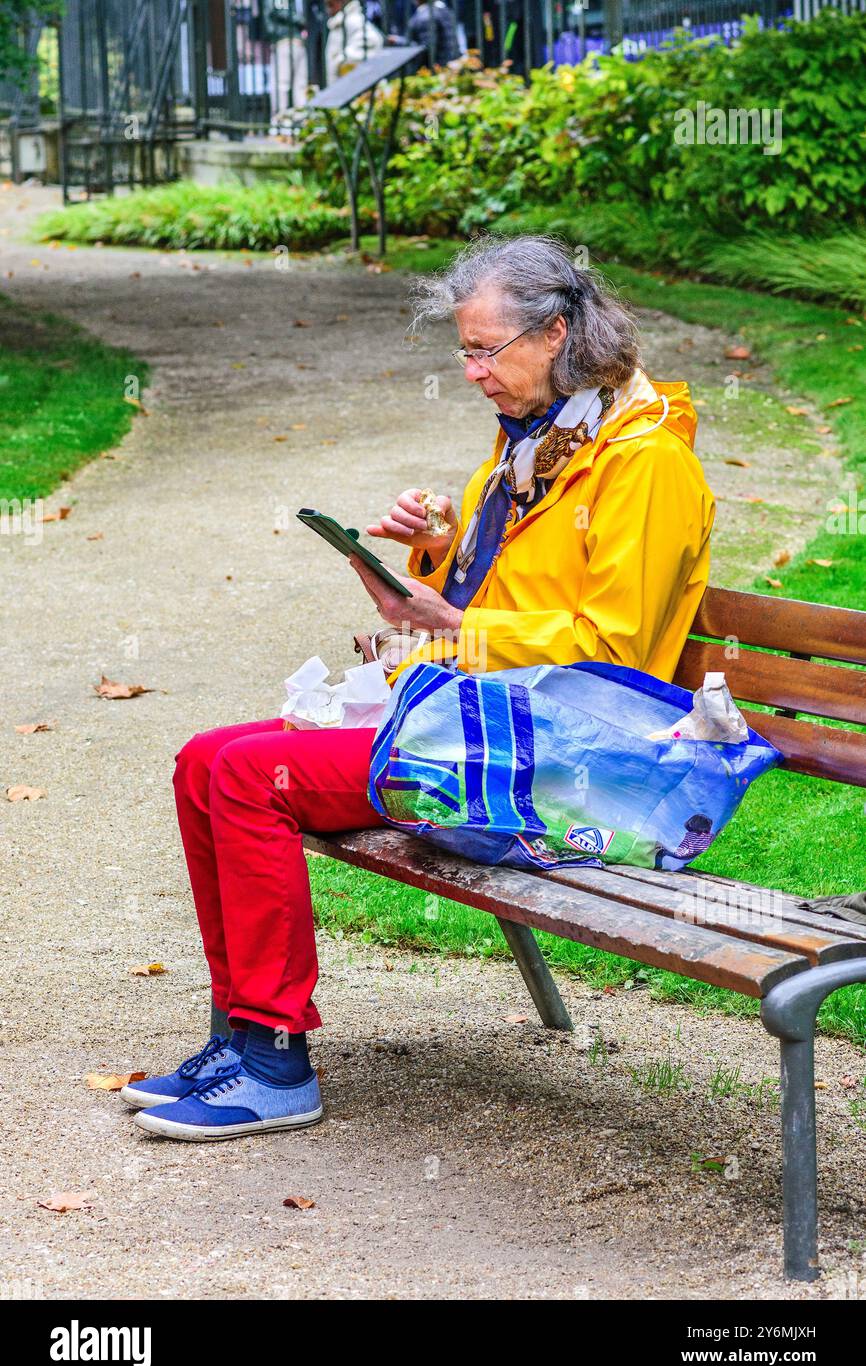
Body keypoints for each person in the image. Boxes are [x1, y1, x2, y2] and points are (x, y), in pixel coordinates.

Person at [123, 233, 715, 1141]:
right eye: (465, 351)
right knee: (204, 760)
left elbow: (617, 654)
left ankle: (277, 1059)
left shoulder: (644, 463)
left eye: (486, 350)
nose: (472, 371)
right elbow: (499, 591)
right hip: (485, 723)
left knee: (249, 777)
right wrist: (430, 552)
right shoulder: (538, 443)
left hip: (562, 762)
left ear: (555, 334)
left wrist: (449, 627)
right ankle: (241, 1035)